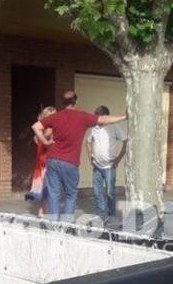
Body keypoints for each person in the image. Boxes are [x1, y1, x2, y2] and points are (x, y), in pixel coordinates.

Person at [32, 91, 127, 221]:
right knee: (71, 195)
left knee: (53, 194)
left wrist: (45, 141)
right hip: (70, 162)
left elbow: (35, 126)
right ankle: (66, 226)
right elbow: (103, 119)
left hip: (53, 160)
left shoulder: (56, 117)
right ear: (76, 102)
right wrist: (125, 117)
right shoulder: (82, 117)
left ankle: (53, 224)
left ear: (62, 103)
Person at [87, 105, 128, 222]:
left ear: (106, 117)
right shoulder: (94, 128)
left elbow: (126, 141)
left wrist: (118, 159)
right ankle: (101, 214)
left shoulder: (114, 127)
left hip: (110, 166)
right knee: (97, 192)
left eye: (99, 117)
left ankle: (111, 216)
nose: (97, 120)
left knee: (110, 192)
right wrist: (91, 156)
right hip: (97, 167)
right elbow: (88, 142)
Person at [25, 106, 57, 216]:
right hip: (46, 161)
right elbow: (46, 135)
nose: (55, 117)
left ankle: (42, 211)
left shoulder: (41, 129)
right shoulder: (48, 129)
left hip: (45, 160)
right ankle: (44, 211)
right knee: (49, 187)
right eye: (52, 115)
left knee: (46, 187)